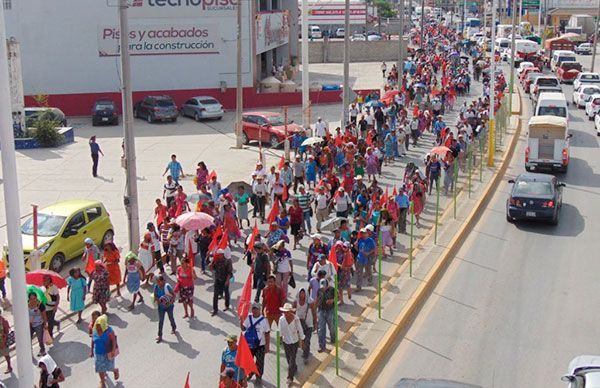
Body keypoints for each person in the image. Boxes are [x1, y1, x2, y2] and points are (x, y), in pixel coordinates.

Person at [241, 303, 270, 380]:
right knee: (249, 361)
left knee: (260, 362)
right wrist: (241, 321)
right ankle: (250, 373)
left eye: (256, 308)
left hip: (260, 346)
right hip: (249, 345)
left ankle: (259, 375)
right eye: (253, 308)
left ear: (260, 310)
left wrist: (267, 346)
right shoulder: (248, 317)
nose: (255, 310)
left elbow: (267, 333)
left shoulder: (264, 320)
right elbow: (243, 329)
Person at [279, 303, 305, 384]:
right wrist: (279, 338)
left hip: (294, 342)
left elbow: (300, 329)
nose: (286, 313)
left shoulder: (296, 319)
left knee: (292, 358)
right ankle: (294, 367)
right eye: (285, 312)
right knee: (288, 358)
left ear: (290, 311)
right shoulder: (281, 319)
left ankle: (290, 377)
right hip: (286, 341)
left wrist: (302, 338)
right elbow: (280, 330)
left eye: (287, 312)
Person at [90, 314, 119, 387]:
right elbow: (92, 340)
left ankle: (115, 370)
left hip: (107, 352)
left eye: (99, 325)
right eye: (97, 324)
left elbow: (113, 341)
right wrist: (91, 350)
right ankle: (102, 382)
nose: (97, 327)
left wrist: (113, 350)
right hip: (98, 353)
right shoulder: (94, 329)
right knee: (100, 369)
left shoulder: (109, 330)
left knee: (109, 367)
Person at [293, 288, 315, 364]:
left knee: (307, 340)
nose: (302, 295)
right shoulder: (296, 302)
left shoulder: (310, 302)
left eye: (303, 293)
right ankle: (306, 351)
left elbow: (314, 312)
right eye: (300, 293)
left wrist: (315, 323)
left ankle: (306, 356)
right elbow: (293, 312)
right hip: (299, 325)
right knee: (302, 340)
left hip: (308, 324)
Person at [153, 275, 177, 343]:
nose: (157, 283)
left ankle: (173, 327)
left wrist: (170, 302)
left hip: (169, 306)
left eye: (158, 281)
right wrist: (159, 300)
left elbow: (173, 295)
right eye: (157, 281)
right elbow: (155, 295)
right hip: (161, 307)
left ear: (163, 281)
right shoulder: (156, 287)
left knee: (171, 318)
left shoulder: (167, 287)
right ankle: (160, 336)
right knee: (161, 321)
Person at [210, 249, 233, 316]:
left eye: (219, 255)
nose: (218, 256)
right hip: (217, 279)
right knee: (215, 295)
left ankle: (227, 305)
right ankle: (215, 309)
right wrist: (211, 264)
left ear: (222, 255)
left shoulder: (227, 261)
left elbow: (229, 272)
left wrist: (227, 280)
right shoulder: (216, 260)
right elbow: (212, 269)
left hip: (225, 279)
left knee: (226, 293)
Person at [28, 292, 47, 356]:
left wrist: (45, 324)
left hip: (38, 324)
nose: (33, 300)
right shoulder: (26, 304)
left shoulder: (40, 305)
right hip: (29, 325)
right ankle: (29, 351)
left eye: (34, 298)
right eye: (31, 299)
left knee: (40, 338)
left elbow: (44, 315)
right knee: (28, 339)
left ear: (36, 298)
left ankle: (42, 349)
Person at [0, 309, 12, 373]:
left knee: (6, 354)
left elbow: (7, 332)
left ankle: (9, 367)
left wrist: (3, 342)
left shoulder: (4, 321)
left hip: (3, 342)